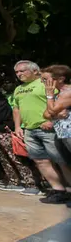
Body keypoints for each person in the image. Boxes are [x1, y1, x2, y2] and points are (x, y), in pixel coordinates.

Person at [13, 60, 71, 204]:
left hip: (49, 129)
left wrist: (52, 120)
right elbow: (16, 108)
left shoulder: (47, 83)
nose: (19, 74)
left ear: (35, 71)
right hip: (29, 130)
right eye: (17, 72)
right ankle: (59, 190)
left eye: (22, 71)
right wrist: (18, 127)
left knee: (61, 161)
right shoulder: (18, 89)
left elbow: (61, 103)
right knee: (40, 160)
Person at [0, 85, 42, 193]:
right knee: (3, 158)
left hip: (3, 134)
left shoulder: (0, 101)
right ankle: (14, 181)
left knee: (16, 157)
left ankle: (32, 183)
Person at [41, 64, 71, 203]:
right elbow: (47, 113)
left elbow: (51, 111)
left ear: (60, 79)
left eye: (46, 80)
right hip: (62, 133)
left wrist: (49, 96)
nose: (44, 83)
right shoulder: (59, 94)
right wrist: (56, 113)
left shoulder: (68, 92)